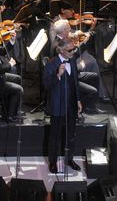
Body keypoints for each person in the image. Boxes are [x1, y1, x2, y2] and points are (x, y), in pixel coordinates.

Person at [44, 39, 82, 173]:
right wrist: (58, 75)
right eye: (70, 50)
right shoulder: (51, 63)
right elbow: (46, 85)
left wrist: (78, 100)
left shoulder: (72, 60)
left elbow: (75, 82)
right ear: (61, 51)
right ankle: (53, 162)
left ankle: (69, 159)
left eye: (74, 49)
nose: (73, 52)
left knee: (71, 134)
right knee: (54, 136)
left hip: (71, 104)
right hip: (58, 104)